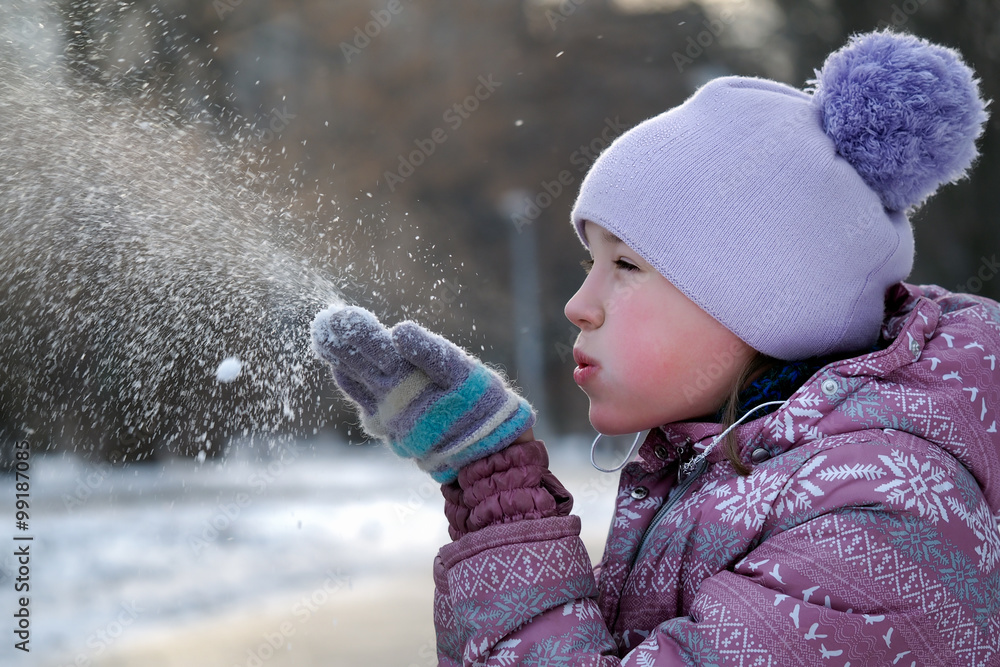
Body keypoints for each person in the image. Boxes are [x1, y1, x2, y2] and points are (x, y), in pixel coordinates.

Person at [311, 28, 1000, 665]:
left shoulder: (876, 517)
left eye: (628, 266)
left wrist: (508, 496)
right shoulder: (740, 464)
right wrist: (491, 475)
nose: (579, 305)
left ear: (762, 302)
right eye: (591, 261)